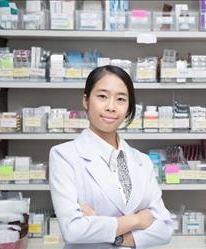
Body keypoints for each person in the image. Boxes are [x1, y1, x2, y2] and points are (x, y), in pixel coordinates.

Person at [49, 65, 173, 249]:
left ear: (129, 106)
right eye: (102, 96)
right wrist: (137, 220)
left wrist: (110, 233)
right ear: (86, 100)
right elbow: (73, 230)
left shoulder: (142, 161)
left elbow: (164, 229)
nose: (111, 107)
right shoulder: (64, 156)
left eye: (121, 99)